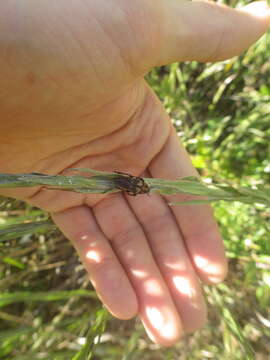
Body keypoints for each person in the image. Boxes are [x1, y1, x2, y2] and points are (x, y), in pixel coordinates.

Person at [0, 0, 269, 346]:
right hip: (112, 177)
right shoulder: (129, 181)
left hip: (112, 178)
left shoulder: (129, 182)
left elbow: (124, 183)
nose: (141, 188)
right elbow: (124, 183)